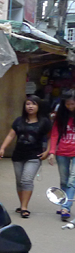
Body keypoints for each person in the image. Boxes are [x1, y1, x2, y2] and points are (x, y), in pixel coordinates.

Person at [0, 95, 52, 219]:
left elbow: (50, 137)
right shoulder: (19, 121)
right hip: (18, 155)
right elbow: (11, 135)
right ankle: (22, 204)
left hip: (34, 155)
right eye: (28, 104)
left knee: (26, 180)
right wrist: (2, 148)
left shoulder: (44, 122)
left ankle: (24, 208)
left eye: (33, 104)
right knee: (19, 181)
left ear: (38, 106)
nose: (30, 106)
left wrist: (48, 151)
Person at [49, 91, 75, 220]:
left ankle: (66, 208)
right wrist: (52, 152)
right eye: (67, 104)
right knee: (64, 180)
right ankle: (65, 204)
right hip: (62, 152)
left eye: (72, 103)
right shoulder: (60, 117)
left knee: (72, 181)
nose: (70, 106)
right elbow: (54, 135)